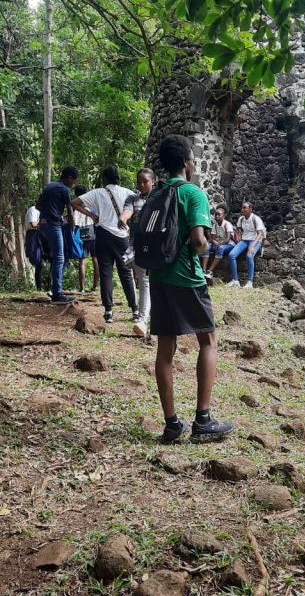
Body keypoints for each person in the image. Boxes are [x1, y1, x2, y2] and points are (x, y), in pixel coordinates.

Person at [148, 134, 233, 443]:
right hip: (186, 277)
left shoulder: (157, 192)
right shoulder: (192, 193)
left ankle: (172, 425)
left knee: (165, 350)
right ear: (187, 162)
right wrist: (204, 249)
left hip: (158, 276)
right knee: (208, 340)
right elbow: (198, 241)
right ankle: (203, 421)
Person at [71, 165, 137, 324]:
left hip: (103, 235)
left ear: (104, 179)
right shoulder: (128, 192)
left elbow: (74, 203)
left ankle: (108, 311)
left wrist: (92, 216)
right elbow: (138, 205)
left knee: (106, 272)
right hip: (122, 236)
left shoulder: (97, 192)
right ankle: (135, 309)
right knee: (126, 273)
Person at [36, 166, 78, 303]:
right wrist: (72, 228)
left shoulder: (49, 186)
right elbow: (70, 211)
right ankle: (57, 294)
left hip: (43, 224)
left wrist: (50, 212)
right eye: (74, 181)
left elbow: (37, 206)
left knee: (56, 256)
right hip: (53, 225)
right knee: (59, 258)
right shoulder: (64, 189)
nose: (74, 184)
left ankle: (55, 290)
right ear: (69, 178)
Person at [124, 168, 155, 337]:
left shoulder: (159, 198)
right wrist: (123, 218)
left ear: (153, 182)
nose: (142, 185)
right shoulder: (132, 199)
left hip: (156, 247)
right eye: (139, 182)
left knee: (149, 283)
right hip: (138, 247)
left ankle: (146, 319)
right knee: (144, 282)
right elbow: (127, 211)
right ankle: (143, 320)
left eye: (145, 182)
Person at [228, 201, 266, 289]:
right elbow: (238, 229)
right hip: (244, 240)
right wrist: (239, 237)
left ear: (250, 209)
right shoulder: (241, 219)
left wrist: (252, 246)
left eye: (245, 208)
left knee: (249, 256)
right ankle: (235, 280)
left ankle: (249, 282)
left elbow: (260, 234)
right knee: (231, 255)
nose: (242, 209)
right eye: (242, 208)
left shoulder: (256, 219)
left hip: (255, 240)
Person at [73, 184, 99, 293]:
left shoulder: (75, 206)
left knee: (82, 260)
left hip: (80, 231)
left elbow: (73, 221)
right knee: (95, 259)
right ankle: (95, 287)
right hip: (92, 230)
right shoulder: (91, 204)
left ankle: (82, 288)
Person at [202, 205, 235, 282]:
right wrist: (215, 242)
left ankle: (210, 271)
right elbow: (212, 238)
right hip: (218, 243)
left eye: (219, 214)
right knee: (207, 247)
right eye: (216, 214)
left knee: (220, 248)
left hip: (228, 245)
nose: (217, 216)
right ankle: (203, 270)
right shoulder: (215, 225)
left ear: (224, 216)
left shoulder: (227, 224)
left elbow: (227, 240)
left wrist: (219, 244)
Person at [24, 203, 44, 291]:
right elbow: (33, 224)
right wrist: (45, 222)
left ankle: (44, 287)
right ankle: (38, 288)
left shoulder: (43, 210)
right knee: (36, 260)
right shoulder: (33, 209)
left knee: (42, 262)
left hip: (41, 234)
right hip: (33, 234)